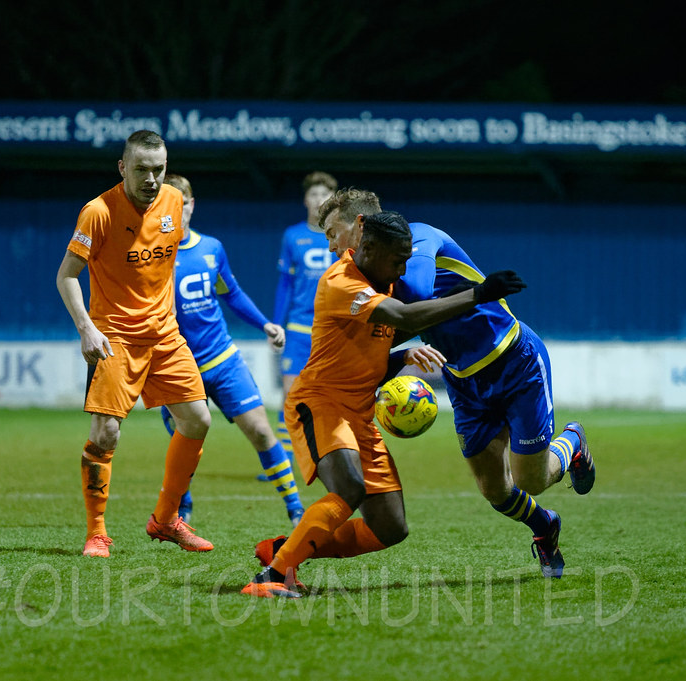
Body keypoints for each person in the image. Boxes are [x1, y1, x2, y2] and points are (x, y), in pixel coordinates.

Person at [307, 188, 596, 579]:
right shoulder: (362, 279)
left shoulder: (420, 237)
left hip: (514, 362)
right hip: (463, 381)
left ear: (359, 225)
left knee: (533, 480)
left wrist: (374, 314)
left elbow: (417, 297)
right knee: (495, 491)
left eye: (331, 233)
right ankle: (545, 527)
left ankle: (572, 443)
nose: (329, 246)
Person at [242, 211, 526, 598]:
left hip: (359, 413)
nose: (404, 268)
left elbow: (368, 351)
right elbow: (406, 316)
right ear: (369, 248)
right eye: (398, 260)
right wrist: (479, 293)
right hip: (321, 403)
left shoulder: (385, 280)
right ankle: (272, 577)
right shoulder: (343, 282)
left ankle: (283, 549)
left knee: (390, 528)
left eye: (408, 259)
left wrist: (403, 357)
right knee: (349, 490)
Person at [55, 129, 214, 557]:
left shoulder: (174, 204)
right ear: (123, 167)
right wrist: (87, 327)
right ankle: (96, 533)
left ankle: (166, 520)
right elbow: (66, 275)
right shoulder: (98, 211)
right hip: (115, 337)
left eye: (158, 170)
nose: (151, 178)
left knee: (198, 421)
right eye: (141, 169)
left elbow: (155, 270)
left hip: (164, 334)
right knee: (106, 434)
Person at [158, 173, 304, 527]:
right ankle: (183, 506)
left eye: (184, 201)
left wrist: (265, 324)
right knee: (186, 443)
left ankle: (296, 507)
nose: (179, 208)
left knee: (260, 431)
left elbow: (232, 294)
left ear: (192, 205)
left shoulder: (211, 248)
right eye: (171, 202)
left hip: (222, 358)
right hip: (176, 365)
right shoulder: (152, 255)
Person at [267, 171, 339, 474]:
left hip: (332, 329)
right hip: (298, 329)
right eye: (313, 195)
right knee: (291, 395)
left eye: (324, 195)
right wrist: (275, 324)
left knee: (331, 396)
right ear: (305, 199)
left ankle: (328, 453)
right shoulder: (293, 235)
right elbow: (285, 285)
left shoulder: (340, 235)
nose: (318, 200)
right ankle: (285, 460)